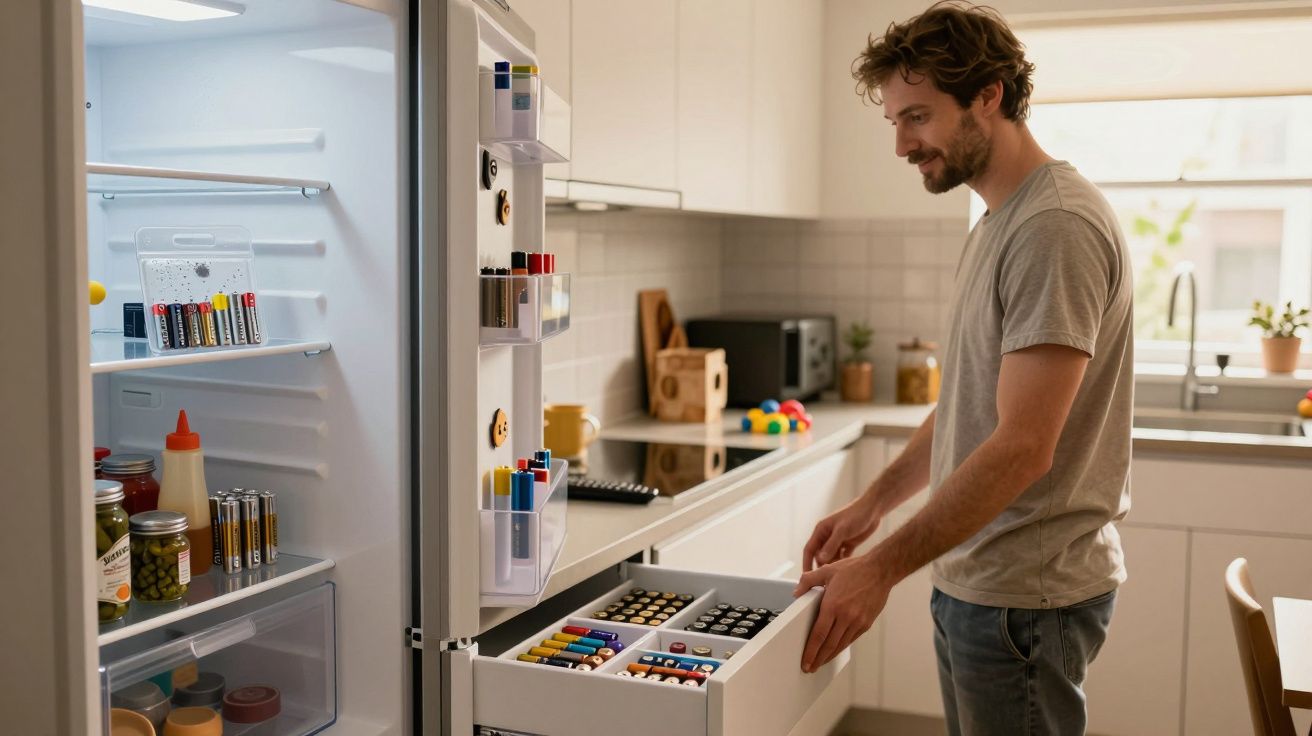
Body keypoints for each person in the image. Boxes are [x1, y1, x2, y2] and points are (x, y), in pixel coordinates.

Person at [792, 2, 1134, 734]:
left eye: (918, 116)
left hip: (1025, 599)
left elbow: (1022, 446)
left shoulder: (1054, 227)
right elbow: (972, 406)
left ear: (989, 96)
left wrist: (879, 567)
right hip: (982, 583)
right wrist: (874, 502)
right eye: (894, 122)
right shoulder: (998, 220)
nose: (902, 145)